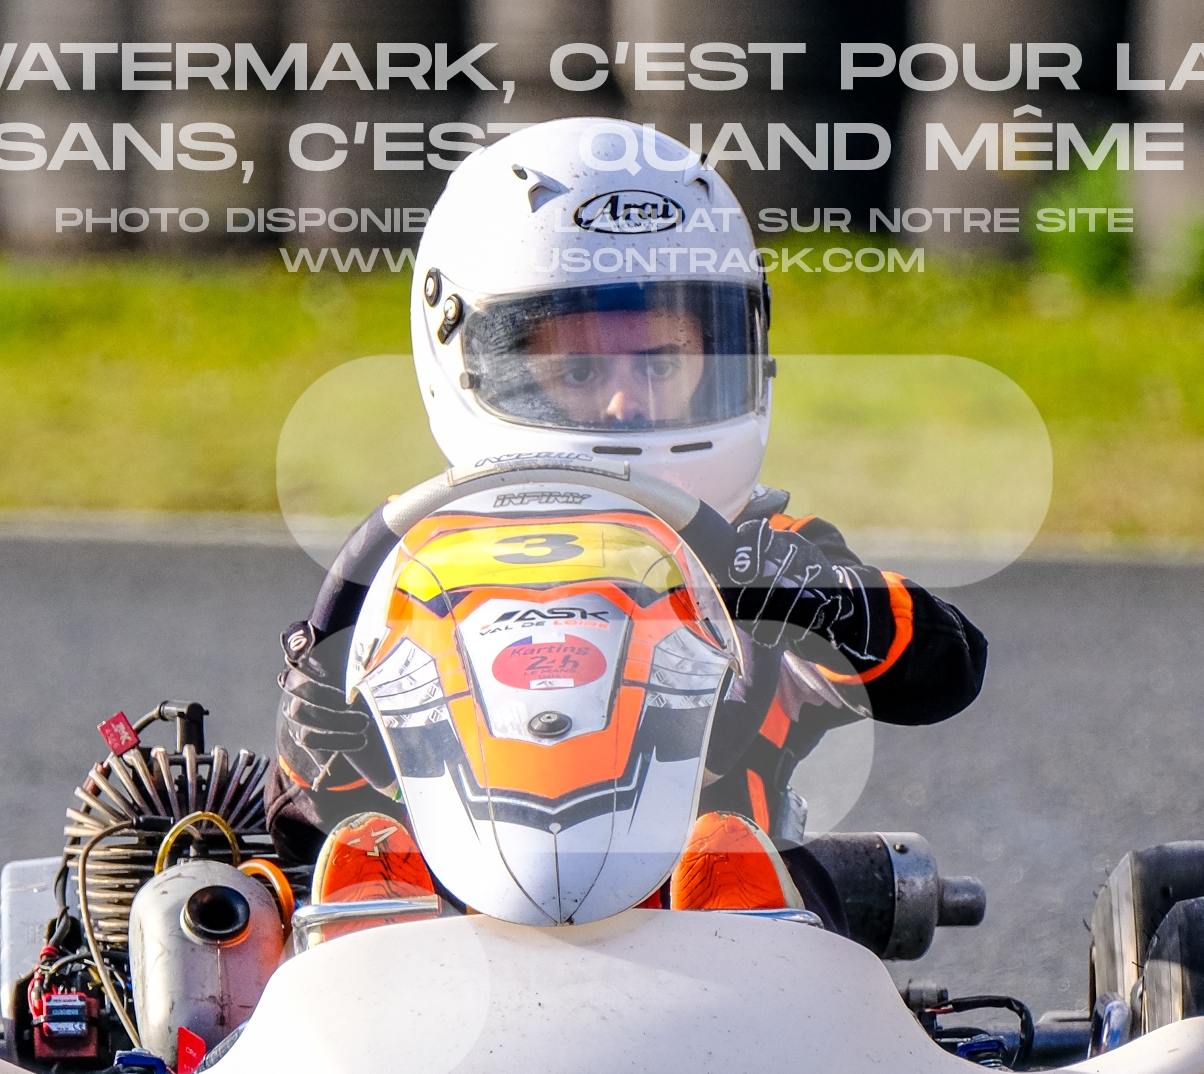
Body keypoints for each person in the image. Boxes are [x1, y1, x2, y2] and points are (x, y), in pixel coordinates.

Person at [268, 117, 986, 894]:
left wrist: (816, 599)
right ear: (468, 356)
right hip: (461, 929)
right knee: (337, 873)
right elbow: (302, 820)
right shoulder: (409, 564)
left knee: (762, 871)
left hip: (723, 924)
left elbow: (945, 669)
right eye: (579, 371)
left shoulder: (762, 548)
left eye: (659, 364)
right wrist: (320, 740)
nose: (623, 403)